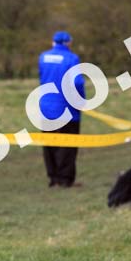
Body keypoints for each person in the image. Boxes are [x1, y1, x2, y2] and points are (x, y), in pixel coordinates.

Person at [38, 31, 85, 187]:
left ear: (53, 42)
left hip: (46, 107)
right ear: (68, 43)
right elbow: (78, 83)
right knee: (68, 144)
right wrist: (81, 101)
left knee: (50, 143)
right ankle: (65, 179)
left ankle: (53, 178)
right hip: (66, 108)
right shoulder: (72, 59)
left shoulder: (43, 57)